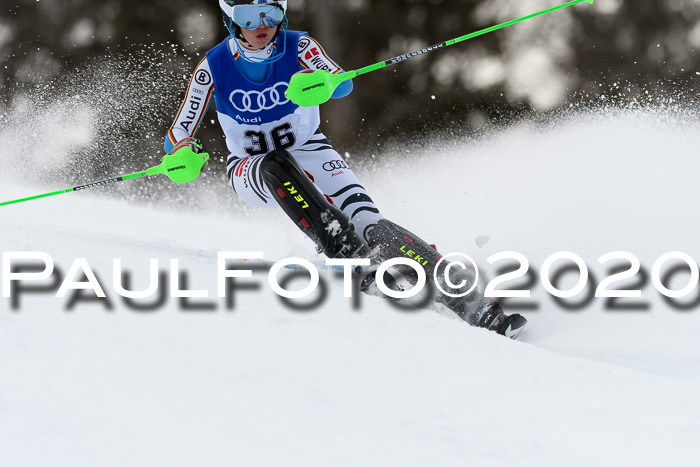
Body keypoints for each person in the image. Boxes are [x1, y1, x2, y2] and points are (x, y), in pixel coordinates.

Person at [165, 0, 527, 339]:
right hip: (250, 167)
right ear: (230, 19)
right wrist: (181, 153)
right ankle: (350, 259)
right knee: (275, 164)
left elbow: (341, 79)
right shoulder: (213, 66)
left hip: (310, 149)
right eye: (248, 17)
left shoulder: (299, 45)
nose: (261, 26)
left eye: (271, 15)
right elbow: (180, 131)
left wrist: (325, 84)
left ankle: (476, 307)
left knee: (373, 225)